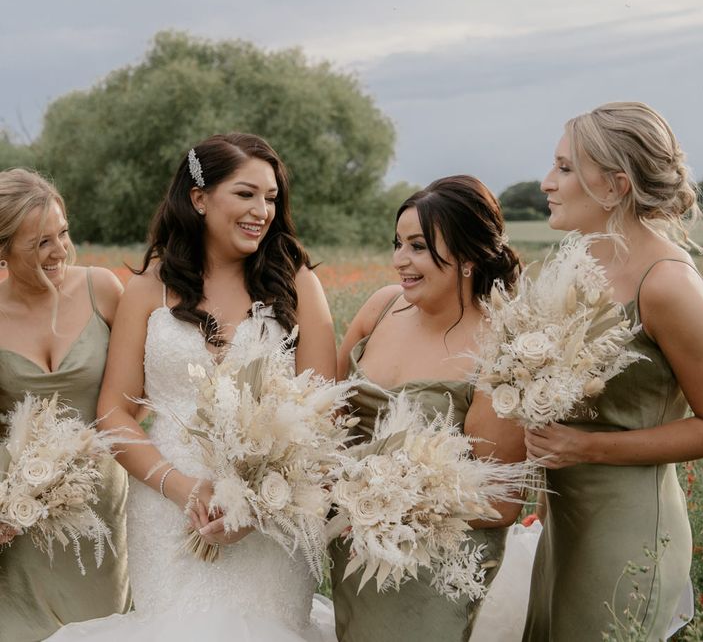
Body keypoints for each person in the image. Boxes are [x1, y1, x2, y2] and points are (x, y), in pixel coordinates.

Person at [48, 134, 337, 642]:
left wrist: (255, 504)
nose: (262, 210)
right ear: (199, 198)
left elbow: (323, 412)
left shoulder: (297, 282)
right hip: (167, 510)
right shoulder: (147, 289)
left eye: (271, 198)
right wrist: (183, 489)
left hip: (273, 512)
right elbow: (113, 412)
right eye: (246, 194)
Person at [522, 102, 703, 641]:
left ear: (616, 184)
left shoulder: (666, 284)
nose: (547, 182)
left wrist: (587, 448)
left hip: (625, 530)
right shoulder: (579, 259)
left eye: (566, 168)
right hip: (562, 520)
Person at [330, 175, 532, 642]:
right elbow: (329, 412)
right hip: (352, 548)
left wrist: (387, 502)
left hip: (433, 564)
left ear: (467, 256)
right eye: (398, 243)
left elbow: (499, 501)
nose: (401, 260)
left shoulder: (501, 344)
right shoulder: (380, 307)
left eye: (418, 246)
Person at [0, 168, 129, 642]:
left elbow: (144, 388)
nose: (60, 252)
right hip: (20, 513)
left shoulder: (103, 289)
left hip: (100, 507)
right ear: (3, 249)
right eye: (40, 243)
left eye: (64, 234)